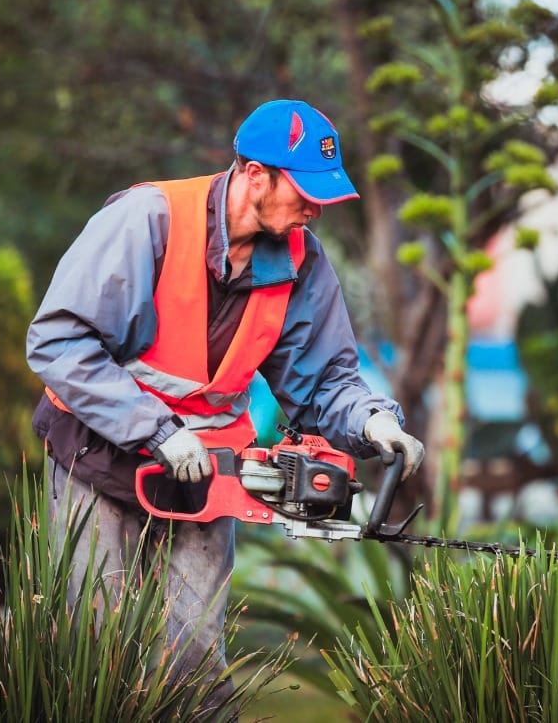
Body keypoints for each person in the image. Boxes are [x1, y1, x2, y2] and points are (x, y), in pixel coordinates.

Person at [25, 98, 424, 706]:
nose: (315, 209)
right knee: (90, 653)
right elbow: (58, 341)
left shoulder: (301, 261)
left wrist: (371, 420)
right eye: (305, 192)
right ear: (254, 175)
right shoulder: (148, 220)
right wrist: (155, 430)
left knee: (194, 664)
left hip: (207, 476)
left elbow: (322, 382)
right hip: (99, 461)